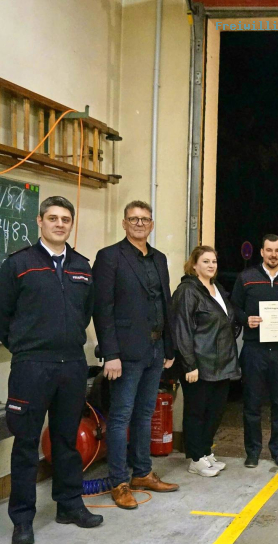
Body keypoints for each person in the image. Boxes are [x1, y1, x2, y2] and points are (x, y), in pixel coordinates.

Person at [0, 196, 103, 544]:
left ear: (70, 224)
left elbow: (85, 313)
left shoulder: (82, 266)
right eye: (52, 218)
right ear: (40, 221)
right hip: (31, 367)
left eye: (65, 219)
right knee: (25, 444)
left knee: (66, 441)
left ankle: (69, 505)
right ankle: (22, 519)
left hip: (71, 366)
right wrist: (24, 346)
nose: (59, 224)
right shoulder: (19, 264)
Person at [92, 200, 179, 510]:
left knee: (144, 415)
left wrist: (169, 348)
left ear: (152, 225)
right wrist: (110, 354)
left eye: (145, 219)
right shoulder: (110, 257)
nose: (140, 223)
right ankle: (119, 481)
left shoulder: (159, 259)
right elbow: (103, 310)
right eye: (134, 219)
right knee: (120, 418)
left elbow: (165, 304)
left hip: (156, 350)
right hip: (125, 355)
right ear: (124, 223)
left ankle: (142, 472)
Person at [231, 234, 278, 469]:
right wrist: (246, 319)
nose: (273, 254)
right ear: (261, 252)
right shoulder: (247, 278)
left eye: (277, 250)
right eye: (268, 250)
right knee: (252, 404)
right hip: (255, 349)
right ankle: (253, 451)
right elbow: (233, 308)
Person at [171, 246, 241, 477]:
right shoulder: (187, 291)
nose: (211, 265)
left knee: (215, 410)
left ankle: (205, 451)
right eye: (205, 261)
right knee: (196, 411)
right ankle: (195, 458)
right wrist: (189, 364)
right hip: (199, 364)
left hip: (222, 363)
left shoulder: (216, 288)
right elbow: (181, 329)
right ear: (194, 265)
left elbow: (226, 318)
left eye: (214, 261)